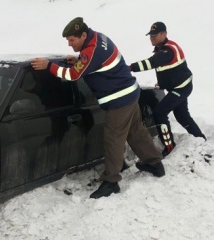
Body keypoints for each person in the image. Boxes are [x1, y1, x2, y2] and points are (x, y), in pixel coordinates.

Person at [31, 17, 164, 199]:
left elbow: (72, 75)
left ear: (83, 35)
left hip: (120, 99)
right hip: (130, 92)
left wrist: (49, 66)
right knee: (135, 131)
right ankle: (154, 163)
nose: (69, 45)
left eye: (72, 40)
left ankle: (111, 182)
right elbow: (92, 62)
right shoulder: (98, 38)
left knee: (113, 139)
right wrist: (79, 60)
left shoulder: (91, 51)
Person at [129, 22, 206, 158]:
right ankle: (200, 139)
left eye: (155, 35)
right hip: (180, 86)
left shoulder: (168, 50)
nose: (151, 38)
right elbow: (169, 69)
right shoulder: (162, 49)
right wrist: (164, 82)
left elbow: (151, 63)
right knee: (182, 116)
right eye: (150, 35)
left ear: (164, 34)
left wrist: (129, 68)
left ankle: (169, 146)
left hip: (181, 87)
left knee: (160, 112)